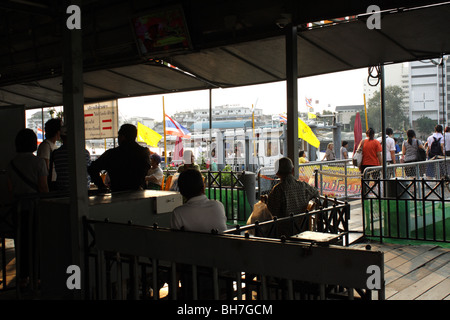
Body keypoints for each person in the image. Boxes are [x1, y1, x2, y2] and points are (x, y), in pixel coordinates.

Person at [7, 128, 49, 290]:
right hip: (36, 209)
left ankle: (23, 277)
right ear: (33, 143)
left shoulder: (11, 164)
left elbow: (10, 190)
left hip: (18, 210)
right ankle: (37, 276)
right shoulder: (38, 162)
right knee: (37, 243)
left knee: (21, 243)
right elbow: (43, 187)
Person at [88, 124, 151, 192]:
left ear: (122, 137)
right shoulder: (144, 153)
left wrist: (101, 186)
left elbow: (92, 169)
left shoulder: (112, 154)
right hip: (139, 193)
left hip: (117, 193)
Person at [171, 169, 227, 233]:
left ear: (182, 192)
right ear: (203, 187)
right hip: (221, 243)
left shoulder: (178, 213)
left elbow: (175, 239)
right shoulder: (218, 206)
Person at [50, 125, 91, 192]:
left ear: (61, 137)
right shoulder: (84, 153)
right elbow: (89, 170)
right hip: (83, 191)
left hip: (63, 192)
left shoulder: (56, 154)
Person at [37, 118, 62, 186]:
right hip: (50, 183)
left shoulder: (51, 145)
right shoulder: (46, 146)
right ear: (57, 132)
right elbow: (45, 168)